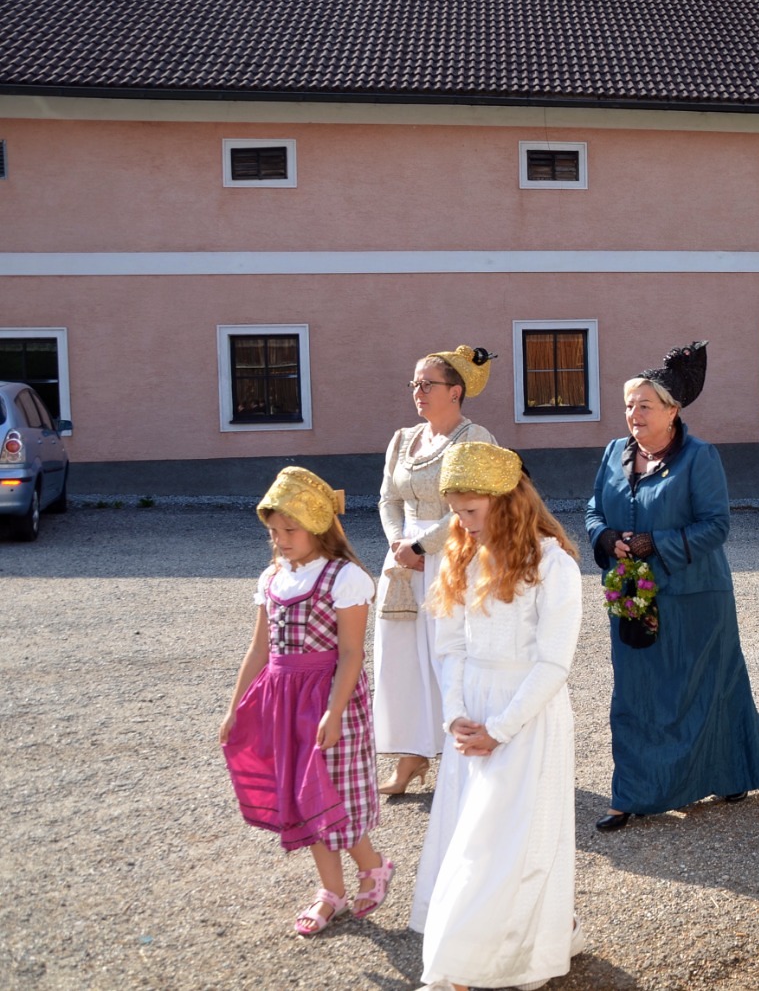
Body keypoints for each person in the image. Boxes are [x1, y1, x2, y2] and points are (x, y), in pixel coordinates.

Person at [410, 442, 583, 991]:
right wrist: (456, 715)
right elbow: (450, 646)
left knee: (514, 841)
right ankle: (467, 959)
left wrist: (501, 729)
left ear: (508, 502)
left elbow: (553, 662)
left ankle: (515, 953)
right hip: (474, 714)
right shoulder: (463, 558)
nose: (462, 522)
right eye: (456, 511)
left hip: (526, 716)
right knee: (472, 837)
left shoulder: (552, 565)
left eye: (471, 510)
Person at [585, 342, 759, 831]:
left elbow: (716, 526)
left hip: (695, 596)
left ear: (672, 411)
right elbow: (593, 509)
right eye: (629, 405)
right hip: (631, 595)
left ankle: (730, 771)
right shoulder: (613, 452)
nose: (634, 414)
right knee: (636, 692)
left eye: (645, 405)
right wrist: (605, 537)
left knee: (708, 689)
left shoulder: (699, 457)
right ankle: (631, 793)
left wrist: (654, 542)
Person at [220, 467, 390, 936]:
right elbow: (259, 650)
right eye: (274, 532)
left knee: (334, 794)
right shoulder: (273, 577)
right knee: (303, 797)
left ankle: (372, 865)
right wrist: (235, 707)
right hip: (283, 703)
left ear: (317, 526)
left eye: (290, 530)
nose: (280, 540)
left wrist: (333, 712)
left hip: (330, 699)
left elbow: (352, 653)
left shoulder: (344, 578)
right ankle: (331, 891)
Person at [373, 346, 498, 796]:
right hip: (403, 560)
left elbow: (478, 503)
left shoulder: (474, 438)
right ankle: (412, 755)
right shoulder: (403, 439)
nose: (417, 391)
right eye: (414, 384)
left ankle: (464, 753)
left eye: (427, 384)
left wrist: (423, 545)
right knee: (402, 658)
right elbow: (388, 499)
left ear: (456, 391)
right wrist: (399, 543)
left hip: (452, 554)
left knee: (450, 654)